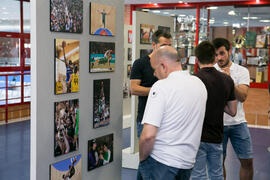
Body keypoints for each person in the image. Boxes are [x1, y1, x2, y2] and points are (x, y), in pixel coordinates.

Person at [137, 46, 207, 180]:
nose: (154, 74)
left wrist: (142, 159)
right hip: (187, 162)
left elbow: (148, 136)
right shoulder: (199, 84)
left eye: (155, 69)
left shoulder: (161, 86)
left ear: (163, 66)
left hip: (161, 161)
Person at [190, 41, 237, 180]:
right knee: (217, 174)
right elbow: (233, 111)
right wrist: (217, 101)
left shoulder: (194, 80)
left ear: (197, 59)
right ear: (214, 57)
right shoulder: (227, 79)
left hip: (197, 136)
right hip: (216, 136)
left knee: (198, 175)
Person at [213, 38, 253, 180]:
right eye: (216, 55)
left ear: (229, 52)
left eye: (222, 53)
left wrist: (229, 80)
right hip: (218, 125)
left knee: (247, 161)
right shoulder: (211, 72)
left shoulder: (242, 71)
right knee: (218, 163)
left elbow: (242, 97)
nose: (219, 58)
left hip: (238, 123)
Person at [130, 29, 172, 138]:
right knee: (146, 154)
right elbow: (134, 89)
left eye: (169, 46)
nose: (167, 49)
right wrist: (158, 90)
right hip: (146, 118)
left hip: (167, 119)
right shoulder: (140, 63)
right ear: (154, 45)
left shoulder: (171, 64)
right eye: (163, 45)